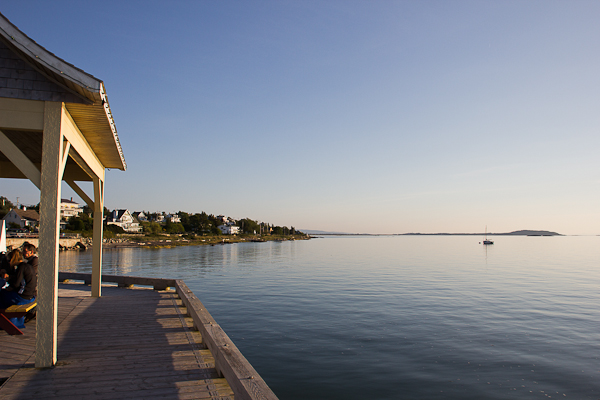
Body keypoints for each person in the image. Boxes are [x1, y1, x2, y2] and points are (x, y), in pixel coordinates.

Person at [0, 249, 37, 329]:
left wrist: (8, 286)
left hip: (23, 298)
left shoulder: (21, 267)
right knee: (6, 296)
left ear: (13, 259)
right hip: (31, 296)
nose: (9, 262)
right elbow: (19, 280)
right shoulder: (27, 266)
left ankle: (7, 321)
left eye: (9, 260)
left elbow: (16, 284)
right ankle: (13, 321)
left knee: (2, 295)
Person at [21, 242, 38, 322]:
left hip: (34, 285)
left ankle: (31, 312)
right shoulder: (31, 261)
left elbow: (31, 273)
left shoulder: (34, 261)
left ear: (31, 252)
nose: (23, 253)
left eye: (25, 251)